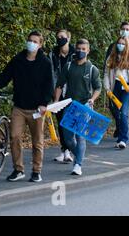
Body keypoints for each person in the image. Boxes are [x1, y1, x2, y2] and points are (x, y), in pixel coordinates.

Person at [0, 31, 53, 183]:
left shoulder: (45, 62)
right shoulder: (18, 60)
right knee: (15, 137)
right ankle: (18, 169)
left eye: (35, 41)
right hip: (19, 107)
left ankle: (36, 171)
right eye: (30, 40)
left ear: (40, 44)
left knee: (37, 141)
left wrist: (44, 103)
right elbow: (4, 78)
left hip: (37, 109)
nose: (32, 43)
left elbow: (49, 85)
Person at [54, 39, 102, 176]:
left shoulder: (92, 69)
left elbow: (98, 88)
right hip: (69, 106)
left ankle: (78, 165)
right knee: (68, 139)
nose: (80, 51)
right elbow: (59, 85)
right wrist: (56, 101)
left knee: (80, 137)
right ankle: (79, 155)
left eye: (83, 49)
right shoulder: (68, 66)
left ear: (88, 51)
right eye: (78, 48)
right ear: (75, 49)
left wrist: (92, 99)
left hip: (84, 106)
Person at [105, 22, 129, 138]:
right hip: (114, 86)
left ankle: (123, 139)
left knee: (124, 111)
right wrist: (107, 88)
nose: (121, 45)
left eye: (127, 29)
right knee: (116, 110)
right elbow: (106, 72)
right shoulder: (112, 55)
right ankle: (120, 127)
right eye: (119, 44)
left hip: (127, 86)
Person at [49, 29, 75, 163]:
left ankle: (69, 150)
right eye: (58, 37)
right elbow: (51, 72)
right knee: (60, 122)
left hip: (71, 91)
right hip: (58, 90)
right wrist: (53, 94)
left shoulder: (75, 53)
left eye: (62, 37)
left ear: (68, 39)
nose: (60, 39)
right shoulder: (53, 54)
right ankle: (64, 149)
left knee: (69, 122)